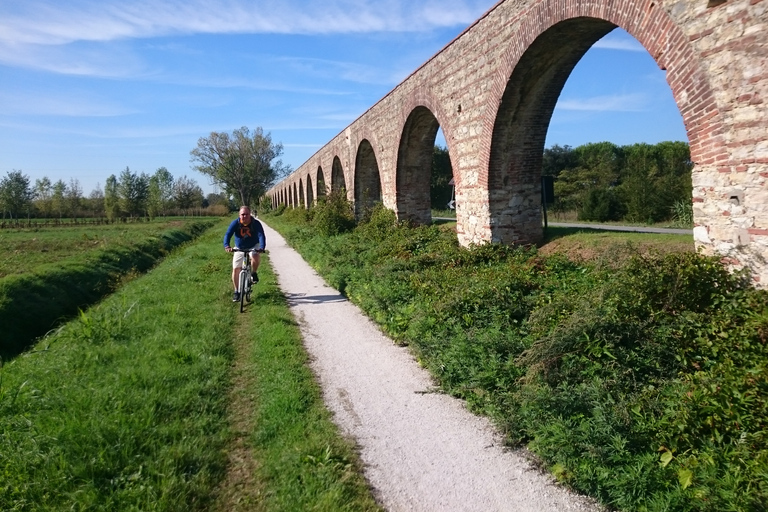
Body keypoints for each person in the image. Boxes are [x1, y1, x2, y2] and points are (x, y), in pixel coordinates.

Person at [223, 206, 266, 302]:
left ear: (250, 214)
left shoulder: (255, 223)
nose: (245, 216)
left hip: (253, 245)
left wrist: (262, 247)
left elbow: (261, 235)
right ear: (239, 215)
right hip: (239, 247)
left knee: (255, 256)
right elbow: (228, 234)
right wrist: (227, 246)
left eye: (247, 214)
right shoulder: (235, 223)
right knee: (236, 269)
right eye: (242, 214)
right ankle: (236, 292)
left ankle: (253, 273)